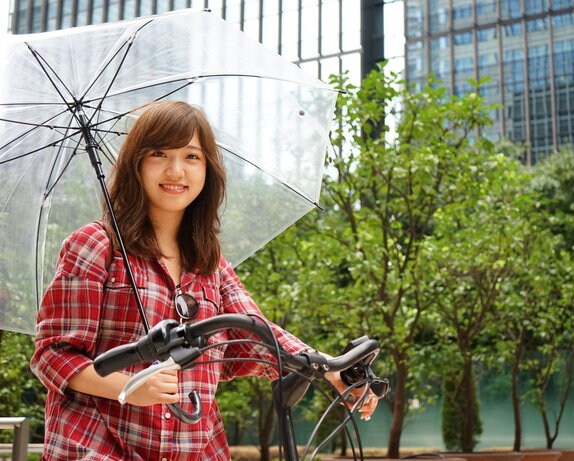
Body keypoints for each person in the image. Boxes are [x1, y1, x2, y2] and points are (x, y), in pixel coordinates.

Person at [31, 101, 378, 460]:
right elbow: (53, 355)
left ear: (208, 168)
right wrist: (129, 387)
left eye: (192, 156)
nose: (176, 170)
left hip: (195, 449)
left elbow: (256, 336)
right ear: (136, 163)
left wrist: (331, 369)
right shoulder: (96, 245)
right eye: (159, 153)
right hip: (98, 446)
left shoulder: (211, 266)